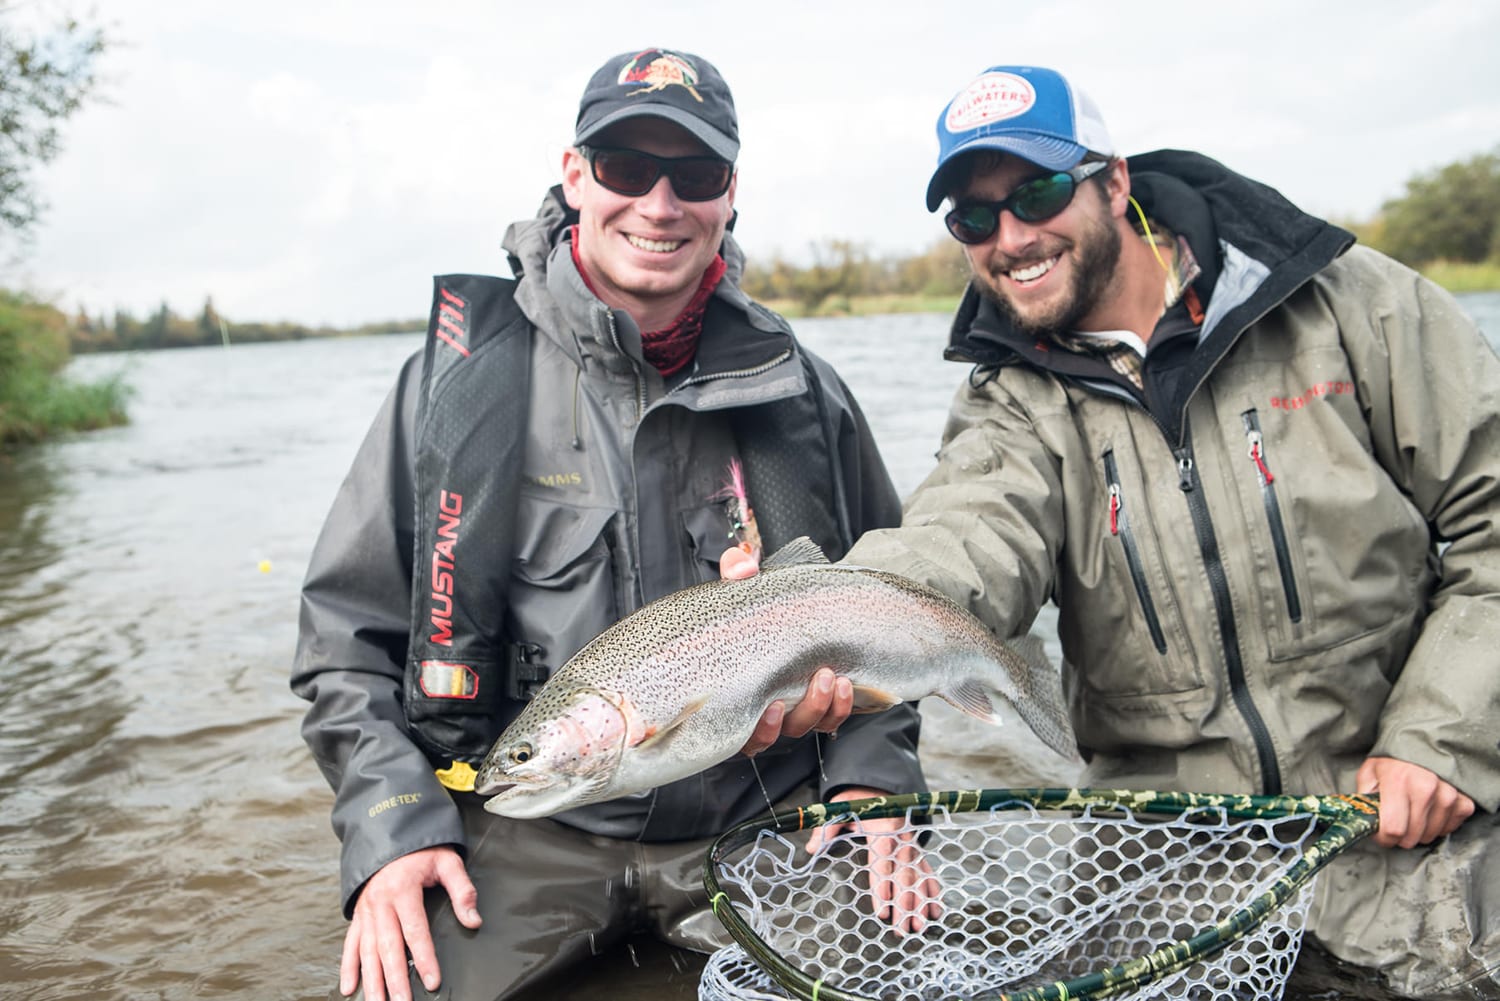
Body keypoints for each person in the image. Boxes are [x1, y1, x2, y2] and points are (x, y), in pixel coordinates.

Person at [819, 65, 1498, 999]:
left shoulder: (1346, 302)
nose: (1011, 237)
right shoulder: (1006, 407)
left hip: (1421, 850)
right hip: (1165, 891)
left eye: (1039, 192)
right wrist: (816, 628)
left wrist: (1442, 737)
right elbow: (954, 548)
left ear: (1114, 181)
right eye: (975, 219)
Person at [291, 48, 931, 1001]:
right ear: (575, 174)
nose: (660, 203)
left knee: (905, 966)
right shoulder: (454, 386)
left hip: (770, 820)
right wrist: (392, 828)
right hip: (531, 828)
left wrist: (876, 785)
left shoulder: (808, 392)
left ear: (730, 194)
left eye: (696, 173)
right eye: (629, 168)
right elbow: (345, 650)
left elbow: (893, 611)